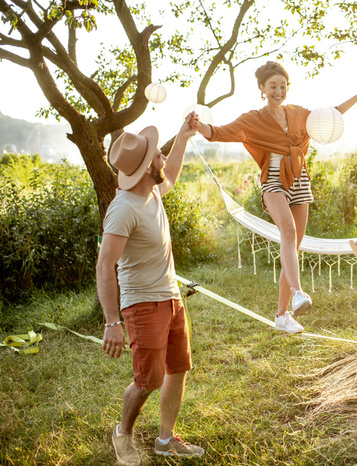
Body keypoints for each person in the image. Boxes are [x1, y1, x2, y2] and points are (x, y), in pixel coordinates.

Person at [190, 61, 357, 334]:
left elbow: (330, 116)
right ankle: (299, 293)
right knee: (287, 233)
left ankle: (281, 315)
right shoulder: (252, 119)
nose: (278, 91)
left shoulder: (299, 114)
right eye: (273, 86)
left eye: (283, 86)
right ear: (262, 88)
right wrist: (198, 124)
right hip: (274, 180)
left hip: (300, 180)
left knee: (292, 248)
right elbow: (218, 133)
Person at [97, 113, 204, 465]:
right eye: (158, 154)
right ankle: (122, 435)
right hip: (142, 305)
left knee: (178, 369)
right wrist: (112, 321)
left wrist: (184, 136)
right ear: (145, 168)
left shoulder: (153, 190)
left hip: (171, 298)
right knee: (147, 381)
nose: (162, 157)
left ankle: (164, 439)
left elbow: (169, 172)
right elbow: (104, 265)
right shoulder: (123, 209)